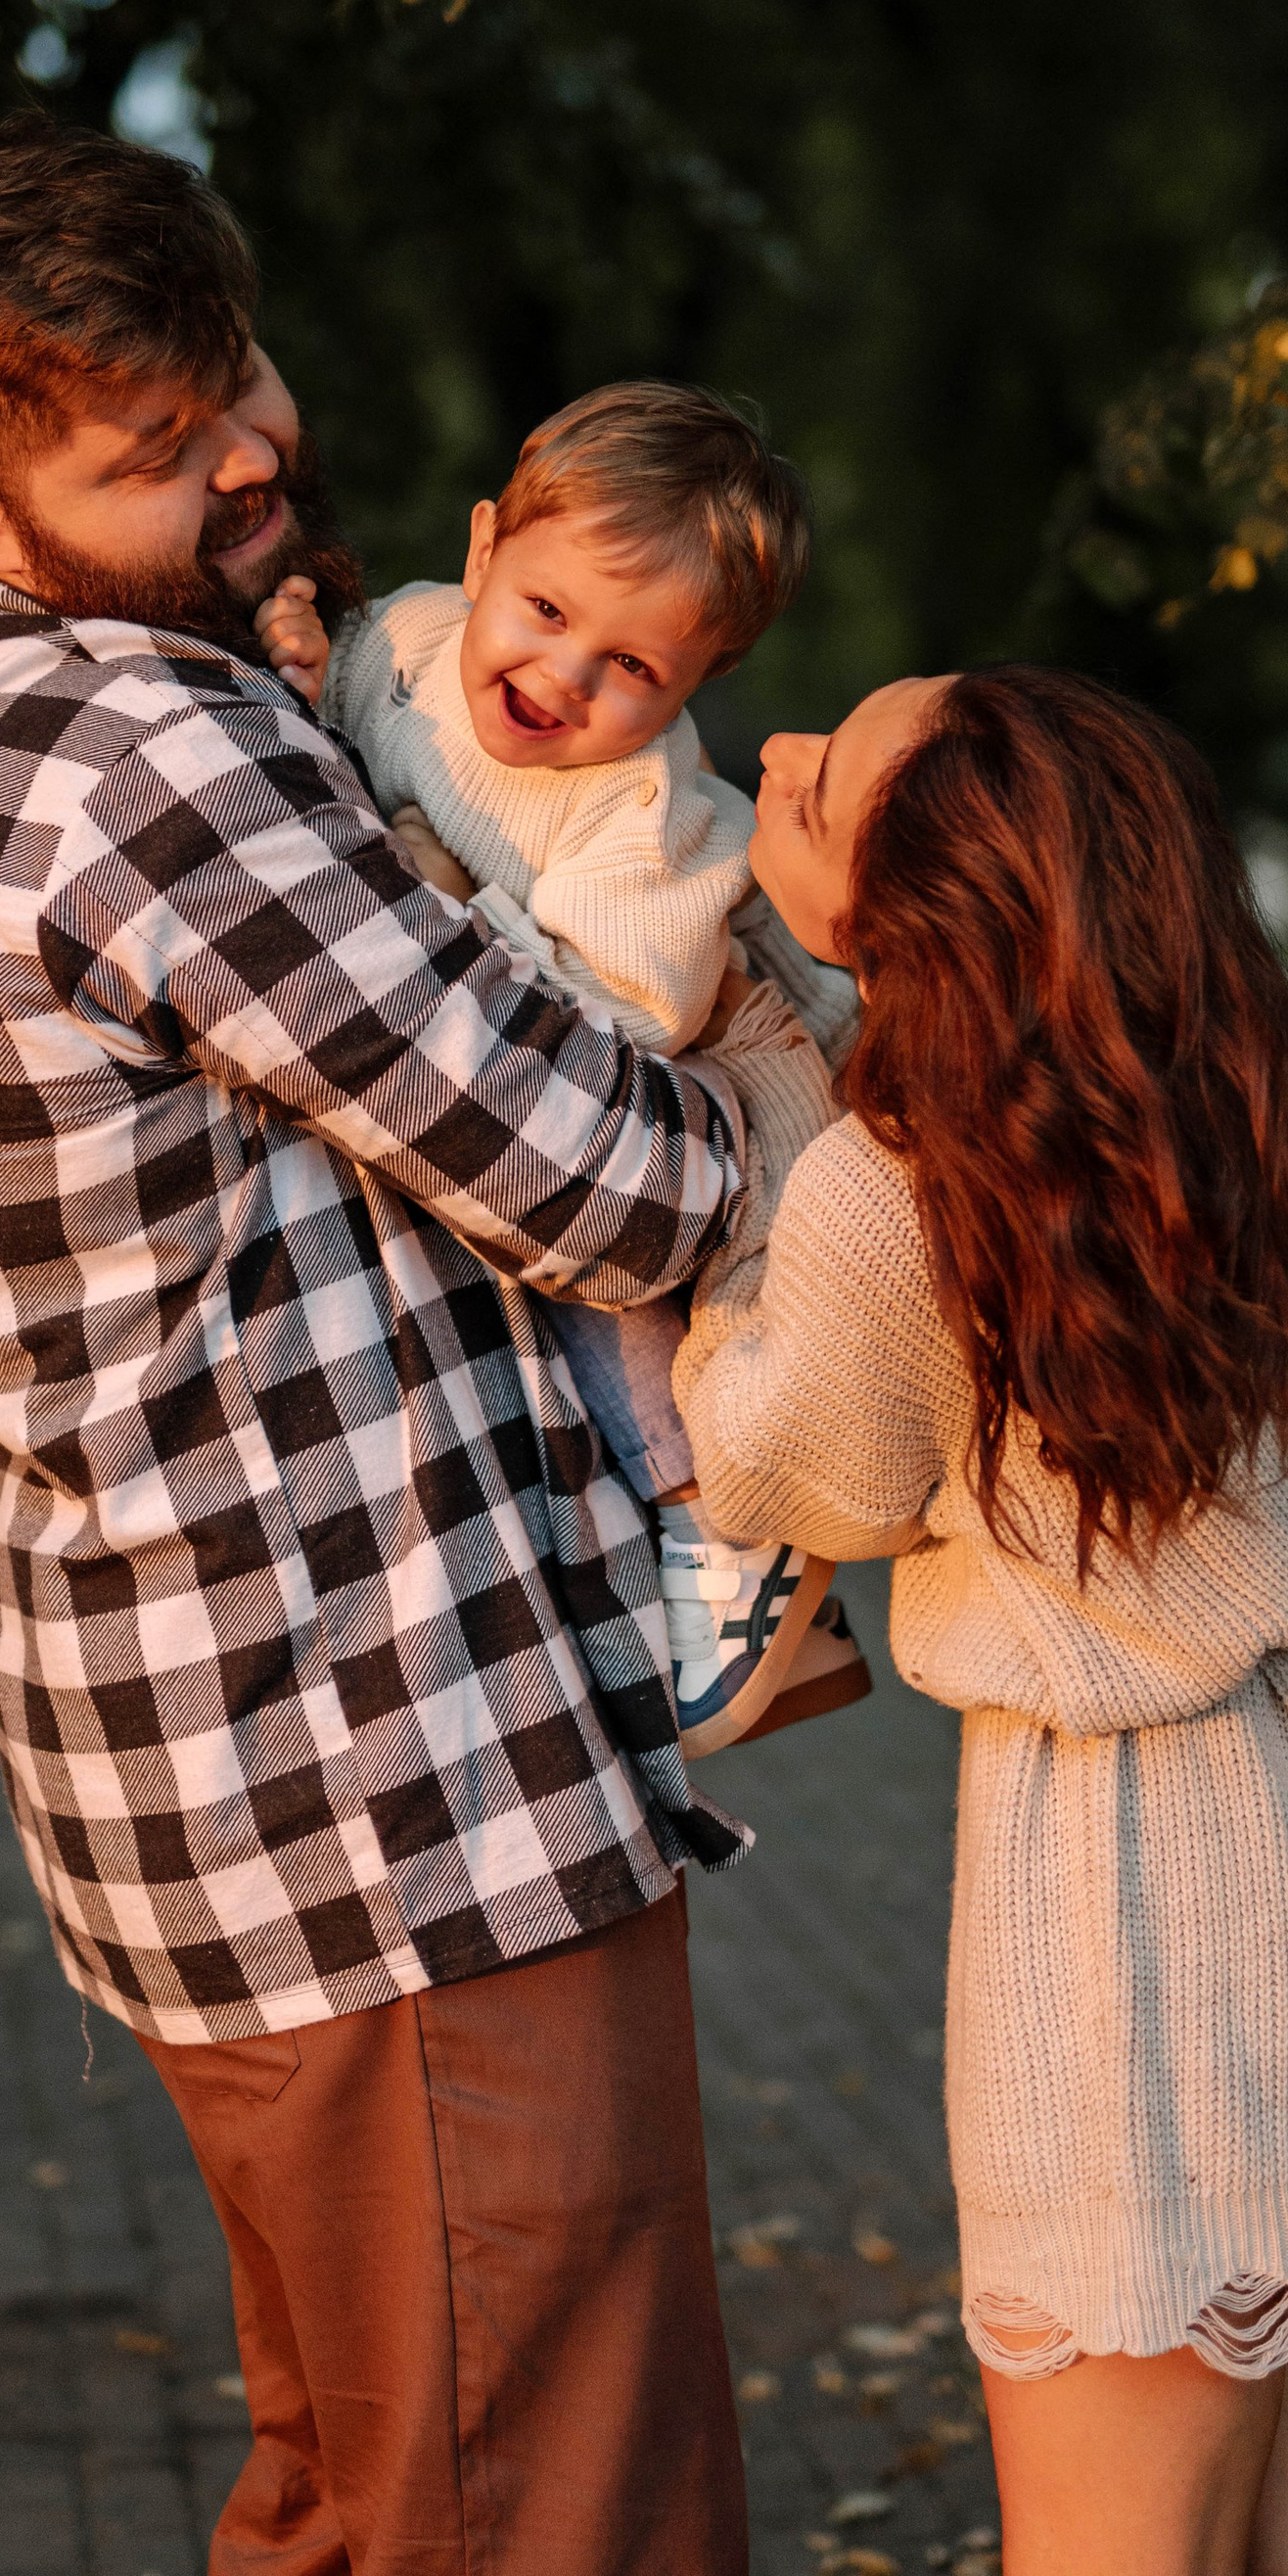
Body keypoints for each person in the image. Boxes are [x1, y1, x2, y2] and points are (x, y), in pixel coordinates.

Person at [0, 112, 833, 2576]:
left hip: (215, 1816)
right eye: (157, 453)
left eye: (235, 376)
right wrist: (754, 1056)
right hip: (396, 1805)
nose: (251, 454)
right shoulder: (143, 751)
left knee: (364, 2512)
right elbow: (623, 1177)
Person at [670, 665, 1288, 2576]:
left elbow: (792, 1469)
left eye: (832, 769)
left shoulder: (891, 1192)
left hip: (1142, 1934)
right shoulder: (1211, 1103)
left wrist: (718, 1301)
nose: (777, 763)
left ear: (928, 900)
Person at [253, 379, 866, 1755]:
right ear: (483, 552)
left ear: (697, 683)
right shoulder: (411, 639)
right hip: (551, 1010)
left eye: (633, 667)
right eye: (543, 609)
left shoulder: (644, 812)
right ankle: (752, 1589)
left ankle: (724, 1519)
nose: (564, 676)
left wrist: (447, 903)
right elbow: (341, 734)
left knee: (609, 1275)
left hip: (729, 1064)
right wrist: (302, 670)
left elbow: (622, 1030)